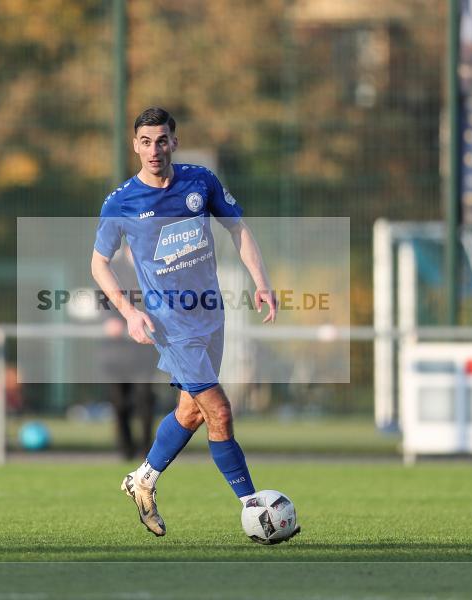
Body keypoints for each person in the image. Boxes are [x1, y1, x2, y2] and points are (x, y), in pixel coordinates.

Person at [92, 107, 297, 541]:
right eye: (145, 142)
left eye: (161, 140)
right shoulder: (121, 202)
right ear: (135, 146)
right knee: (219, 409)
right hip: (171, 324)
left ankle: (142, 479)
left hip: (211, 315)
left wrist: (262, 282)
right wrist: (130, 312)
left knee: (190, 412)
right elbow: (99, 264)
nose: (154, 149)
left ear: (174, 142)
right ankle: (255, 509)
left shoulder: (199, 181)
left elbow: (237, 229)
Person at [100, 243, 158, 460]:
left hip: (143, 349)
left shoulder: (152, 269)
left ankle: (148, 451)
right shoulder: (111, 269)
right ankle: (125, 450)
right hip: (116, 351)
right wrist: (110, 321)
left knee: (144, 398)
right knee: (119, 400)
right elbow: (103, 299)